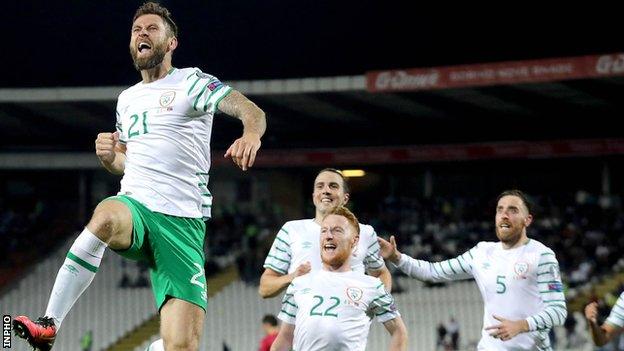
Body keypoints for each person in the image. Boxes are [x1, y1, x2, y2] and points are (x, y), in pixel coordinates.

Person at [12, 2, 266, 351]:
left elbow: (250, 110)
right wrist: (109, 157)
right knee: (104, 216)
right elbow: (125, 162)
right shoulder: (126, 99)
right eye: (136, 30)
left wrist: (251, 134)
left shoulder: (191, 81)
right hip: (136, 208)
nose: (142, 34)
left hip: (183, 224)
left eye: (151, 29)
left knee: (182, 346)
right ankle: (49, 324)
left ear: (172, 42)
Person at [378, 190, 567, 350]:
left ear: (528, 220)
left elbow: (558, 311)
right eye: (500, 210)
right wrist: (397, 258)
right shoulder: (482, 252)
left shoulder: (541, 256)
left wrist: (522, 325)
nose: (504, 215)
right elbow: (432, 272)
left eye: (513, 210)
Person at [270, 206, 407, 351]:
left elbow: (399, 332)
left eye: (337, 230)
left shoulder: (372, 286)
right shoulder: (299, 283)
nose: (328, 235)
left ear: (354, 242)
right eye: (324, 230)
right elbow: (285, 338)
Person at [259, 168, 391, 299]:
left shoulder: (365, 232)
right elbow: (265, 288)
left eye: (333, 186)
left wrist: (380, 306)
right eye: (320, 186)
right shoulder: (292, 229)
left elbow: (381, 273)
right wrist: (292, 277)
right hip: (301, 319)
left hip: (349, 319)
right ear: (314, 196)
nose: (326, 191)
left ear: (345, 198)